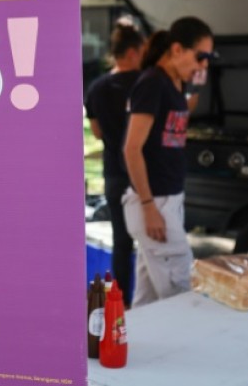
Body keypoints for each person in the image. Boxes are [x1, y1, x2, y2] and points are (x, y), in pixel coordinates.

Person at [122, 16, 215, 307]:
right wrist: (149, 206)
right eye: (201, 56)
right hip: (155, 202)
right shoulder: (151, 83)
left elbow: (183, 108)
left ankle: (132, 349)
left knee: (148, 301)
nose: (204, 65)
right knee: (181, 297)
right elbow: (131, 149)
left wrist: (196, 79)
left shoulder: (173, 84)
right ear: (177, 49)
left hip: (167, 199)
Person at [84, 19, 146, 307]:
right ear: (133, 52)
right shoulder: (146, 83)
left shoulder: (97, 88)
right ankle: (153, 303)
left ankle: (121, 305)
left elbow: (96, 132)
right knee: (151, 242)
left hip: (113, 172)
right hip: (146, 173)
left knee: (122, 242)